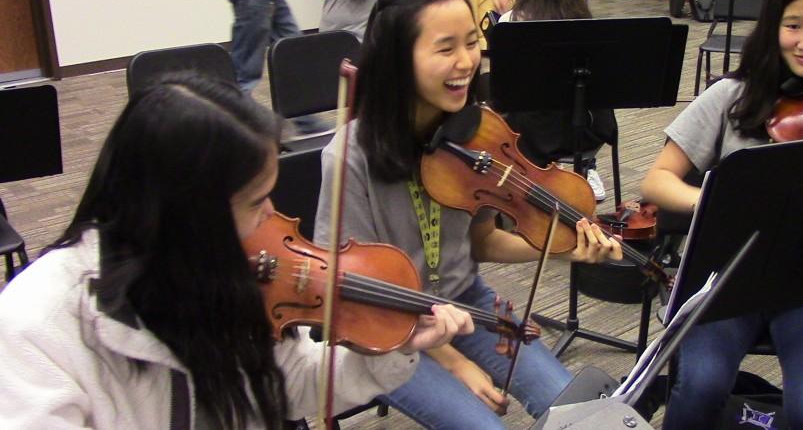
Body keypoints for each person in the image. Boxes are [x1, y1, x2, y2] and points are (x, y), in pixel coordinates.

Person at [0, 73, 474, 429]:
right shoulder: (36, 328)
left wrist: (393, 349)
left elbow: (296, 385)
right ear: (186, 214)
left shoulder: (224, 276)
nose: (273, 216)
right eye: (254, 202)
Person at [314, 0, 622, 429]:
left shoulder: (475, 134)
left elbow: (481, 243)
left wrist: (559, 249)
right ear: (398, 60)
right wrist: (455, 364)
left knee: (575, 410)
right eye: (445, 48)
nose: (467, 62)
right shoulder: (349, 158)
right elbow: (354, 294)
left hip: (467, 303)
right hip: (391, 330)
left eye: (473, 42)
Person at [640, 0, 803, 429]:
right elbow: (655, 181)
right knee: (700, 386)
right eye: (793, 25)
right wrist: (718, 202)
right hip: (728, 275)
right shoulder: (732, 96)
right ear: (772, 24)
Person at [498, 0, 613, 201]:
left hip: (530, 138)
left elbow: (505, 89)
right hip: (587, 133)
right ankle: (583, 173)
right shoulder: (588, 24)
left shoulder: (510, 24)